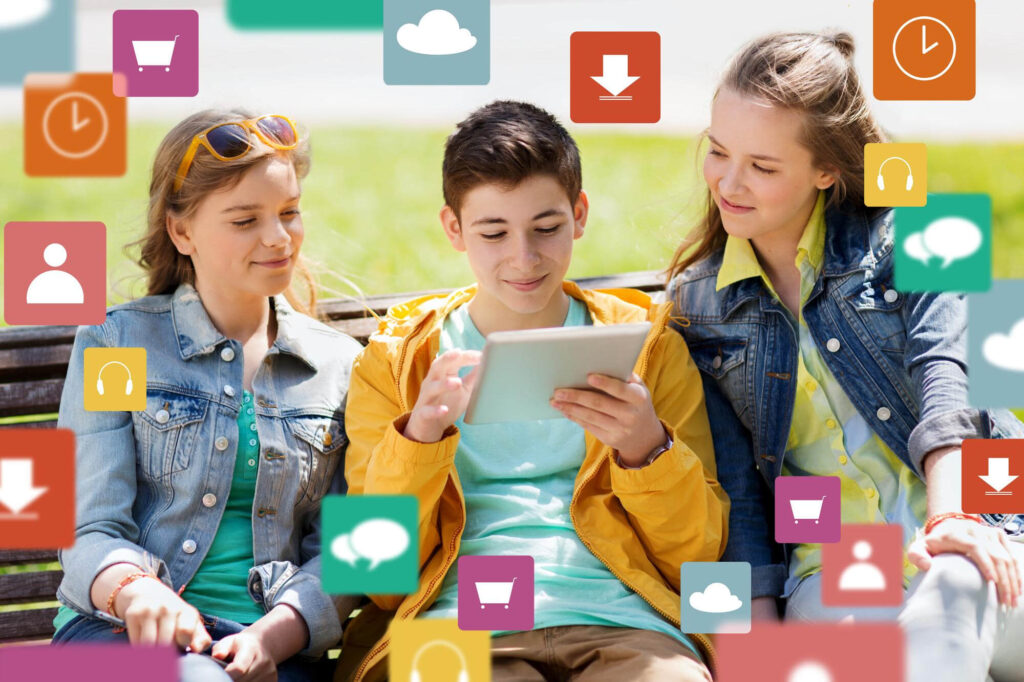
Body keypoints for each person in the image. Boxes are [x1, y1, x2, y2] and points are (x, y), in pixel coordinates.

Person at [666, 31, 1024, 682]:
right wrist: (756, 646)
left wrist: (950, 524)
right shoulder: (697, 309)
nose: (729, 182)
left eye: (763, 166)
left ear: (827, 169)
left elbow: (953, 380)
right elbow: (737, 494)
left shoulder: (924, 232)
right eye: (718, 152)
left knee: (952, 586)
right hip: (833, 577)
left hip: (982, 532)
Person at [337, 100, 728, 682]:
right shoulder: (397, 361)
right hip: (455, 629)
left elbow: (697, 560)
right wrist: (417, 439)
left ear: (580, 213)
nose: (524, 258)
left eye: (547, 228)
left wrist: (648, 450)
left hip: (625, 625)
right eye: (493, 233)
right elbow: (377, 581)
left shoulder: (645, 346)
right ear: (453, 229)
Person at [53, 109, 362, 682]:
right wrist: (137, 590)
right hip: (121, 633)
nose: (278, 238)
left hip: (274, 647)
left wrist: (279, 633)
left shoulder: (341, 365)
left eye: (289, 213)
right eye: (245, 220)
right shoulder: (117, 343)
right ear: (182, 230)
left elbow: (352, 551)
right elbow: (87, 526)